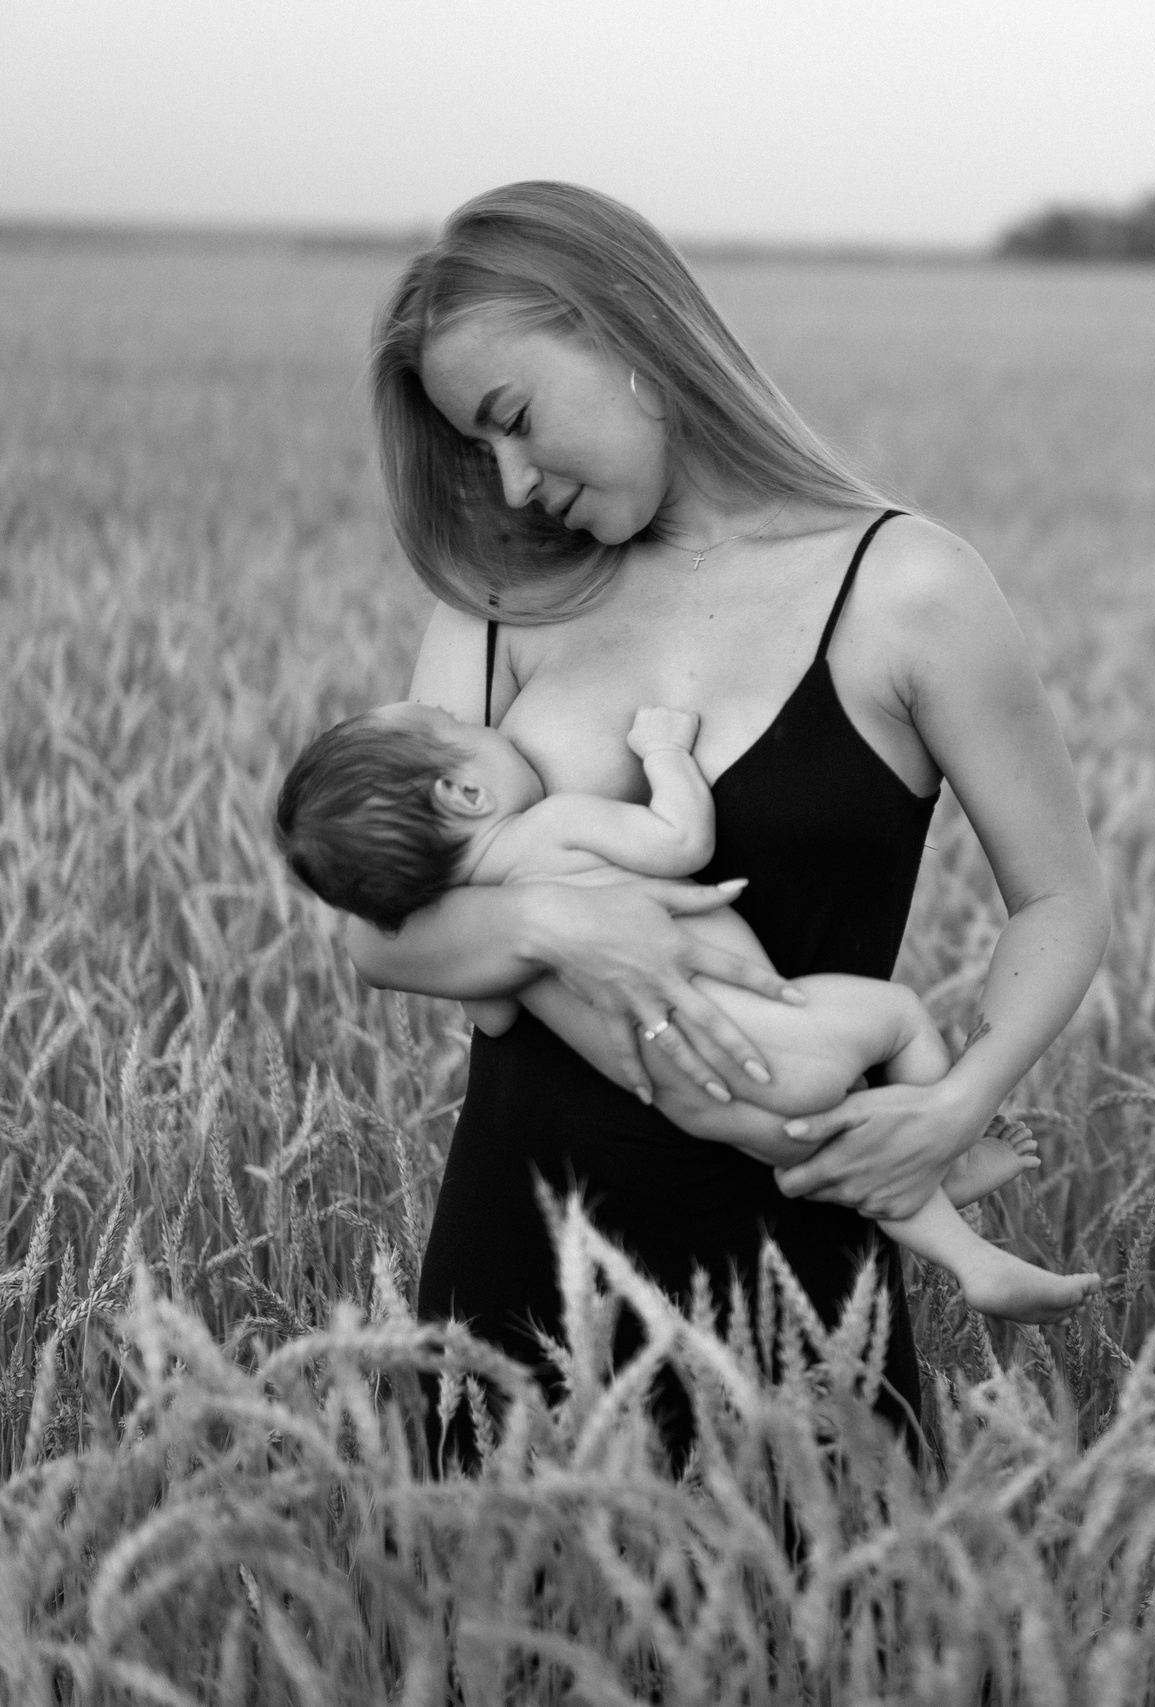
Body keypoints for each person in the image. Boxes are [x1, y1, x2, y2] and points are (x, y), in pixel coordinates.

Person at [341, 180, 1111, 1460]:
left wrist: (956, 1101)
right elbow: (380, 940)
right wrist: (575, 930)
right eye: (481, 451)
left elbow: (1061, 895)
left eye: (515, 420)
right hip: (516, 1276)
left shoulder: (907, 587)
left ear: (627, 332)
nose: (514, 483)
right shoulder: (495, 605)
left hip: (799, 1269)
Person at [275, 697, 1101, 1323]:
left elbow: (489, 1019)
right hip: (769, 1036)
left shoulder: (478, 932)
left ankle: (970, 1257)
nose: (488, 724)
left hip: (700, 1113)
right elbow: (682, 844)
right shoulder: (551, 827)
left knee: (832, 1151)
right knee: (897, 1015)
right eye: (465, 724)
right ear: (462, 790)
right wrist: (664, 750)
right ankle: (943, 1161)